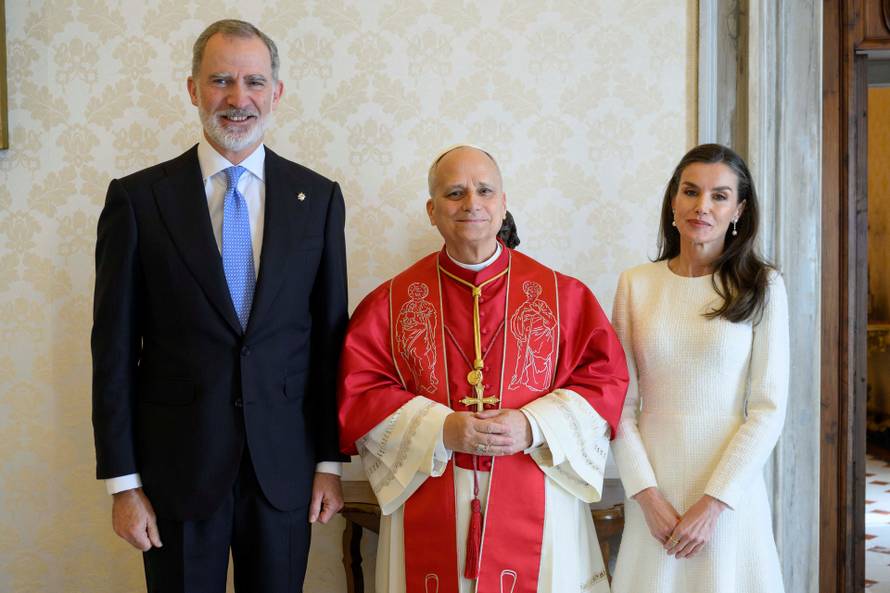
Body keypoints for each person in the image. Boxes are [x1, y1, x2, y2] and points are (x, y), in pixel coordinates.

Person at [91, 19, 348, 593]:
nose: (239, 99)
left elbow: (332, 342)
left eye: (255, 82)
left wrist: (330, 464)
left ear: (276, 93)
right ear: (192, 89)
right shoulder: (137, 200)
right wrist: (123, 483)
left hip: (284, 473)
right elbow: (111, 353)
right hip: (175, 474)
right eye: (221, 81)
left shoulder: (319, 200)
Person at [337, 145, 629, 593]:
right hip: (432, 484)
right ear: (432, 210)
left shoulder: (563, 296)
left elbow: (604, 381)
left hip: (536, 484)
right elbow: (360, 392)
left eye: (485, 190)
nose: (472, 203)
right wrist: (440, 428)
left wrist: (533, 425)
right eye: (455, 193)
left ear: (503, 203)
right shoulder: (390, 304)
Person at [610, 143, 789, 592]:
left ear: (739, 210)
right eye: (691, 191)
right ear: (674, 200)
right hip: (654, 489)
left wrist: (714, 503)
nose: (702, 206)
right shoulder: (636, 285)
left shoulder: (762, 285)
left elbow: (768, 409)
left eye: (719, 196)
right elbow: (619, 403)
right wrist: (646, 496)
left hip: (730, 495)